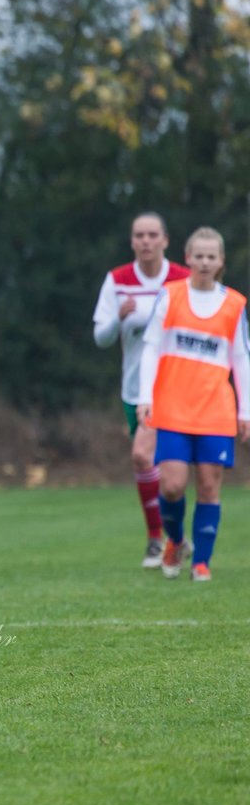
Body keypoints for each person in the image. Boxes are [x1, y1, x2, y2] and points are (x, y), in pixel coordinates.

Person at [138, 226, 250, 582]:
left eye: (211, 256)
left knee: (208, 486)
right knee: (171, 485)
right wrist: (145, 396)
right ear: (187, 258)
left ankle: (202, 560)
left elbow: (242, 358)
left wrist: (245, 410)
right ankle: (175, 541)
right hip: (172, 408)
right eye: (198, 256)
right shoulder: (170, 296)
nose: (204, 262)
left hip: (215, 411)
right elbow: (151, 346)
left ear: (221, 262)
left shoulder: (234, 303)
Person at [92, 212, 190, 569]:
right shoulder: (118, 280)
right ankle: (169, 537)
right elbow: (100, 338)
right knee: (153, 467)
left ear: (165, 240)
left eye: (152, 235)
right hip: (135, 388)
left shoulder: (182, 279)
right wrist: (118, 316)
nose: (146, 241)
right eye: (139, 235)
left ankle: (161, 540)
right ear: (132, 241)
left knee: (147, 460)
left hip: (177, 387)